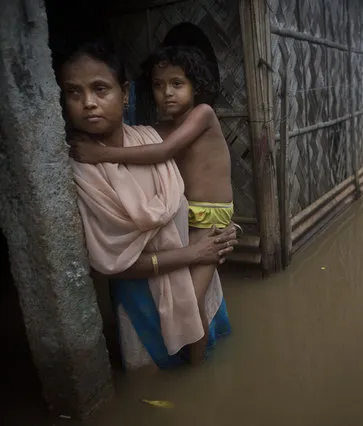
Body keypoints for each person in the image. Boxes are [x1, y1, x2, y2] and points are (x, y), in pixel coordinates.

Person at [58, 40, 237, 369]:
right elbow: (146, 144)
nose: (167, 93)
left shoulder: (202, 114)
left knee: (190, 301)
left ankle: (196, 372)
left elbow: (161, 153)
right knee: (190, 298)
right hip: (190, 225)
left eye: (177, 84)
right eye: (158, 85)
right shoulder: (153, 131)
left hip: (210, 222)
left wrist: (104, 154)